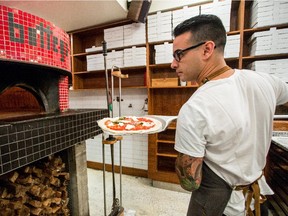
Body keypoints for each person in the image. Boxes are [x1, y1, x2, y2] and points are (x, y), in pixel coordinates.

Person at [170, 14, 288, 216]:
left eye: (179, 54)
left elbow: (189, 182)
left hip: (221, 207)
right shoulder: (266, 81)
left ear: (207, 49)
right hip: (257, 200)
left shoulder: (195, 107)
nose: (173, 64)